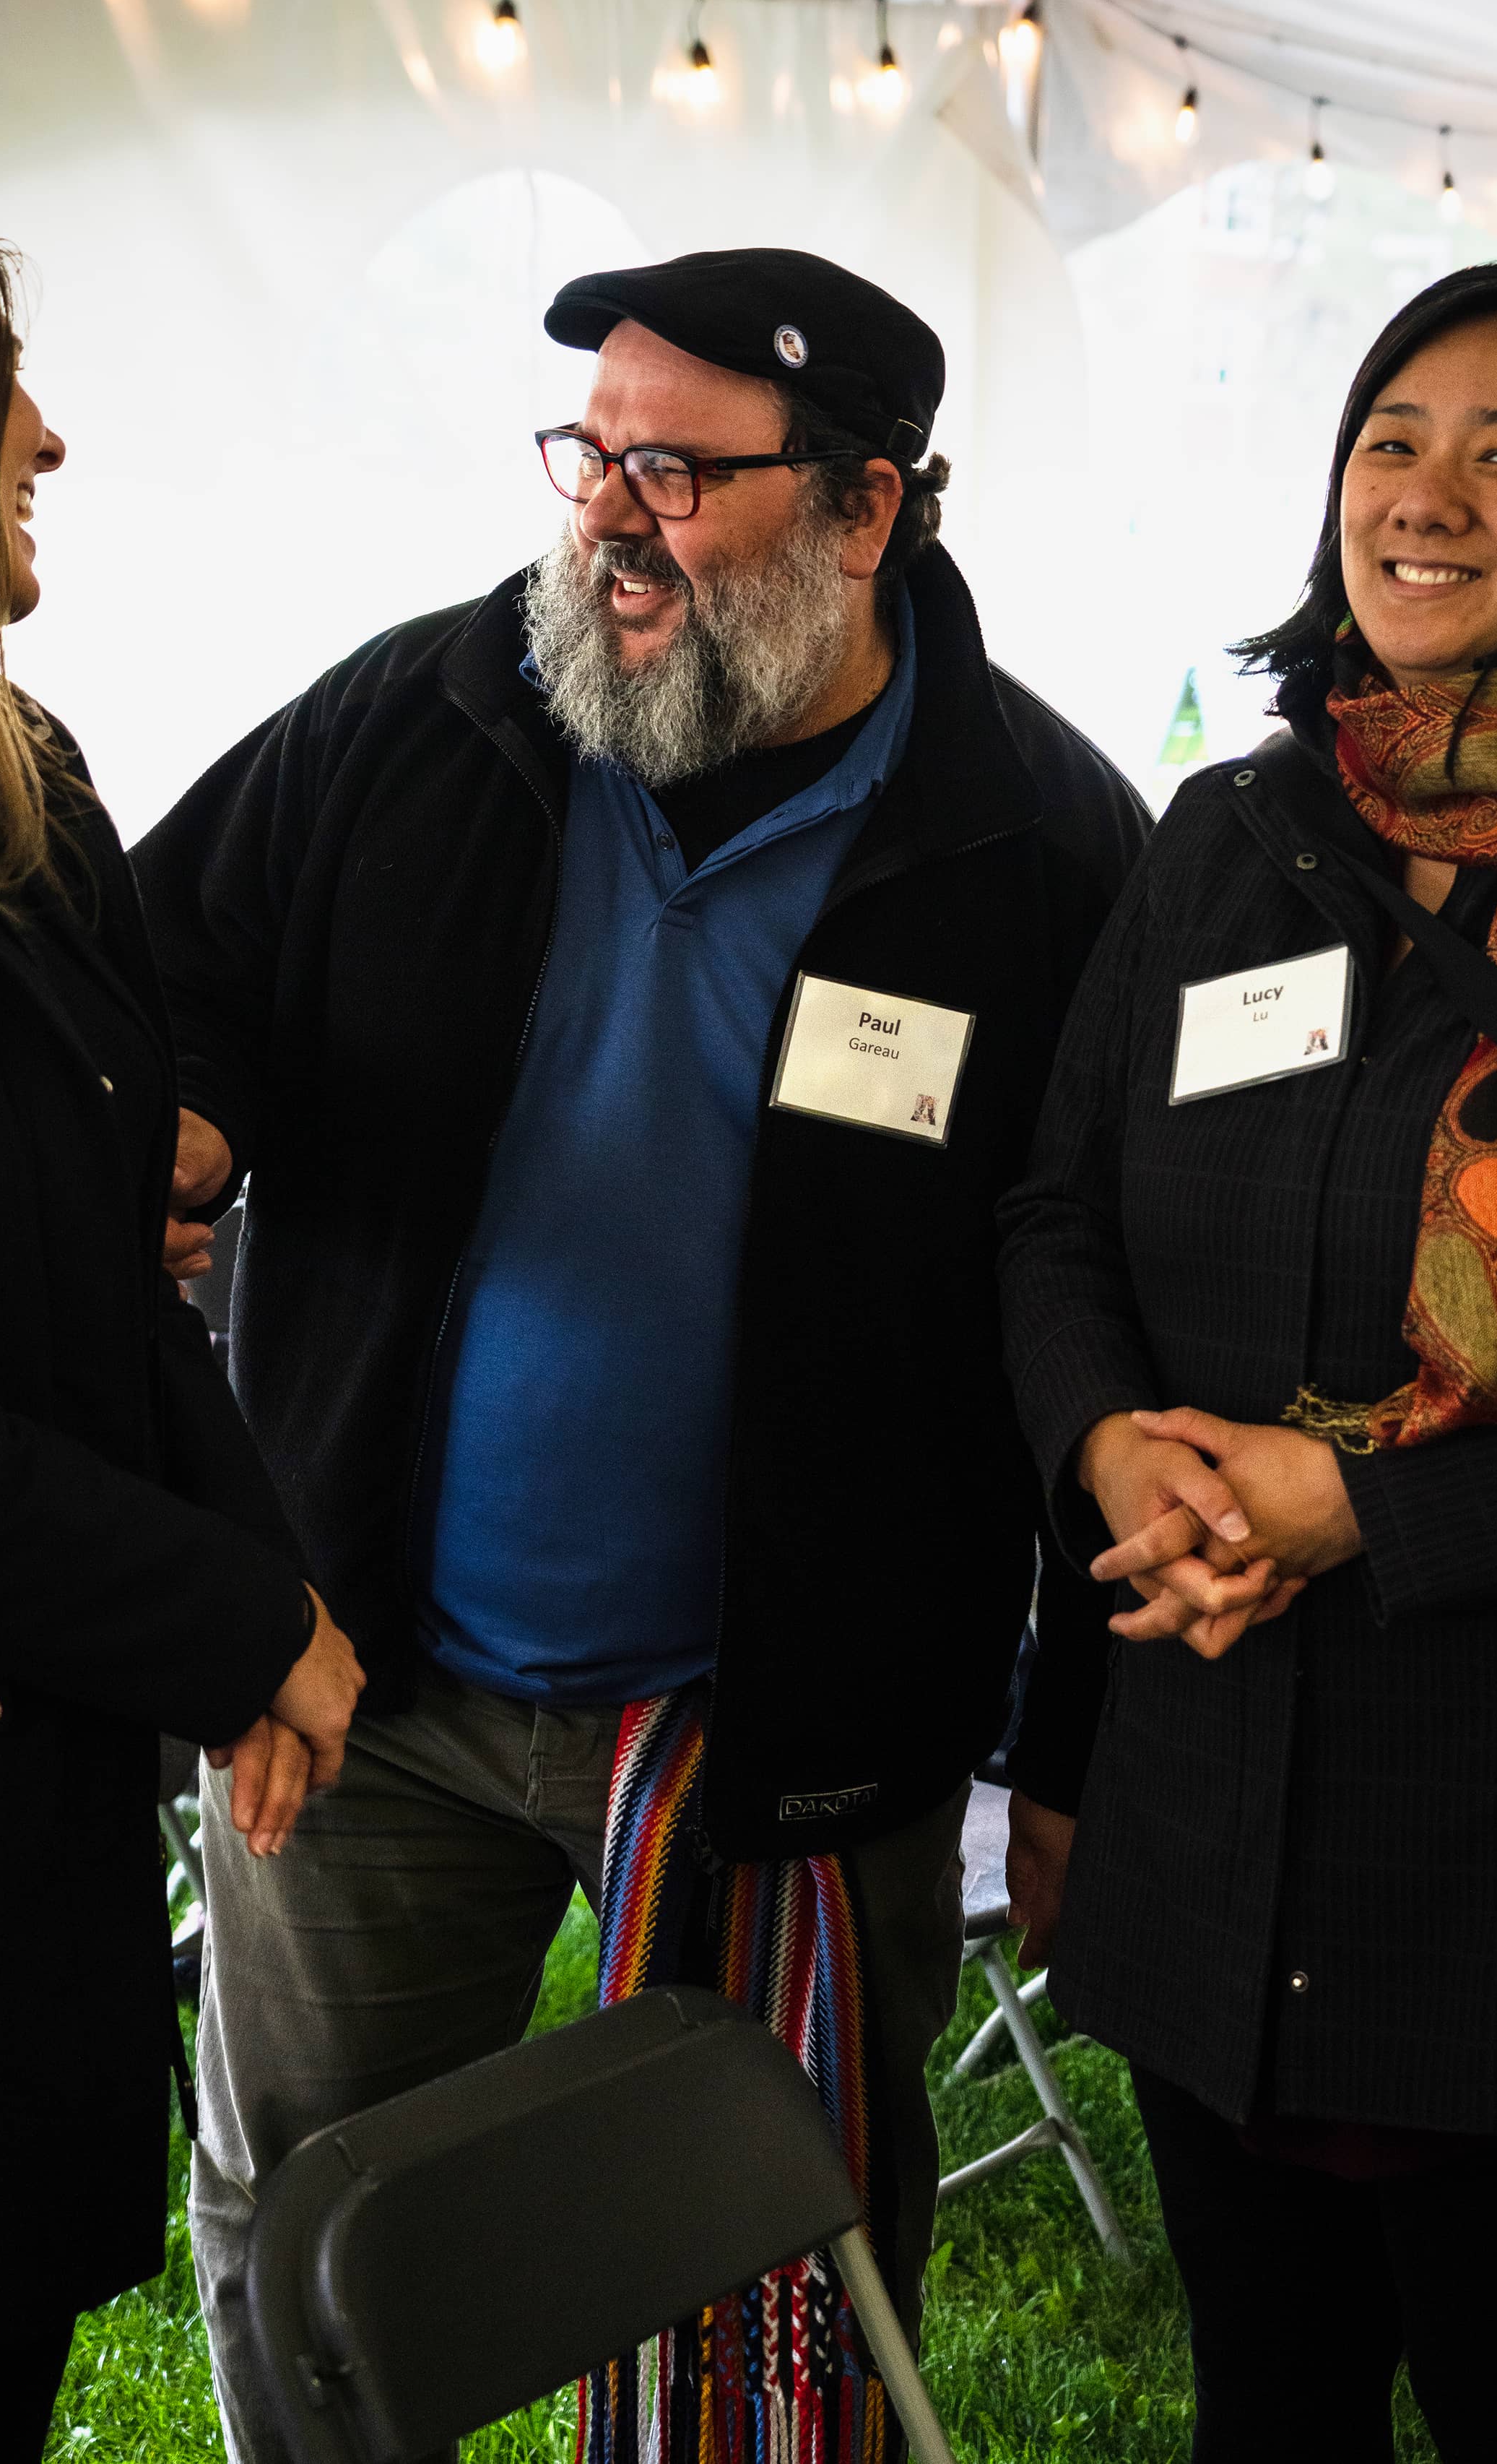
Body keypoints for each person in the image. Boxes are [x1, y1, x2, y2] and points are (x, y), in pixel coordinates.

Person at [131, 246, 1150, 2463]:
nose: (606, 513)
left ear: (872, 510)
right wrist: (185, 1117)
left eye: (679, 470)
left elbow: (1119, 1325)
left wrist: (1075, 1736)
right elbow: (164, 979)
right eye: (588, 450)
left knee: (757, 2271)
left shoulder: (1044, 851)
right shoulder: (421, 715)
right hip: (367, 1673)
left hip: (780, 1707)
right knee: (299, 2219)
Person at [998, 252, 1497, 2461]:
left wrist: (1366, 1503)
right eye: (1391, 440)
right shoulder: (1228, 842)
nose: (1426, 498)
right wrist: (1108, 1451)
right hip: (1211, 1806)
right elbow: (1059, 1207)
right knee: (1264, 2409)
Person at [0, 196, 364, 2464]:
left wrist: (262, 1597)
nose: (49, 437)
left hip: (14, 1827)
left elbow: (124, 1266)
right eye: (0, 387)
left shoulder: (24, 779)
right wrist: (213, 1611)